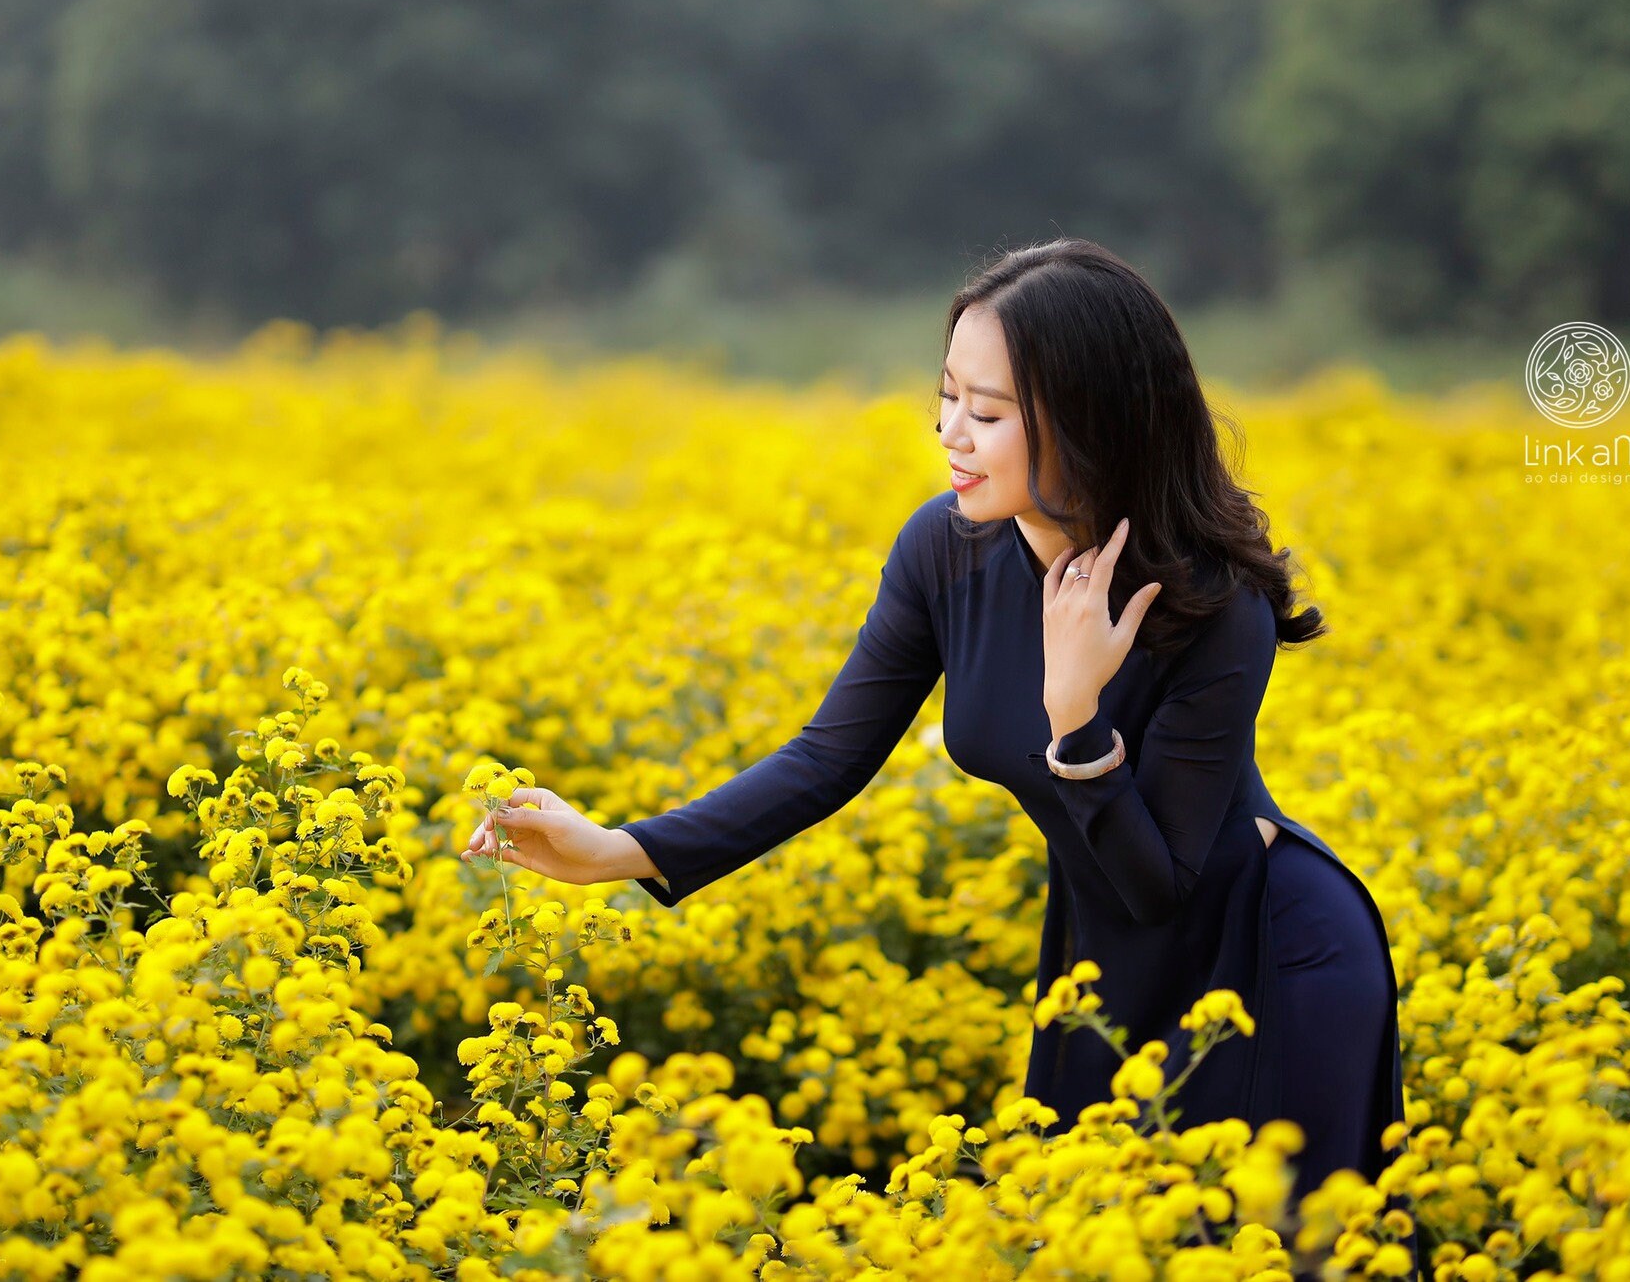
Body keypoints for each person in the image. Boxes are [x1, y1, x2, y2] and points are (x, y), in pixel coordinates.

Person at [461, 238, 1420, 1277]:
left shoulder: (1206, 603)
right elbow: (827, 757)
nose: (949, 435)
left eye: (990, 412)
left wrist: (1075, 717)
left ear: (1091, 423)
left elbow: (1163, 885)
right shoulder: (945, 549)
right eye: (946, 396)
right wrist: (619, 850)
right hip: (1098, 963)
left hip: (1271, 955)